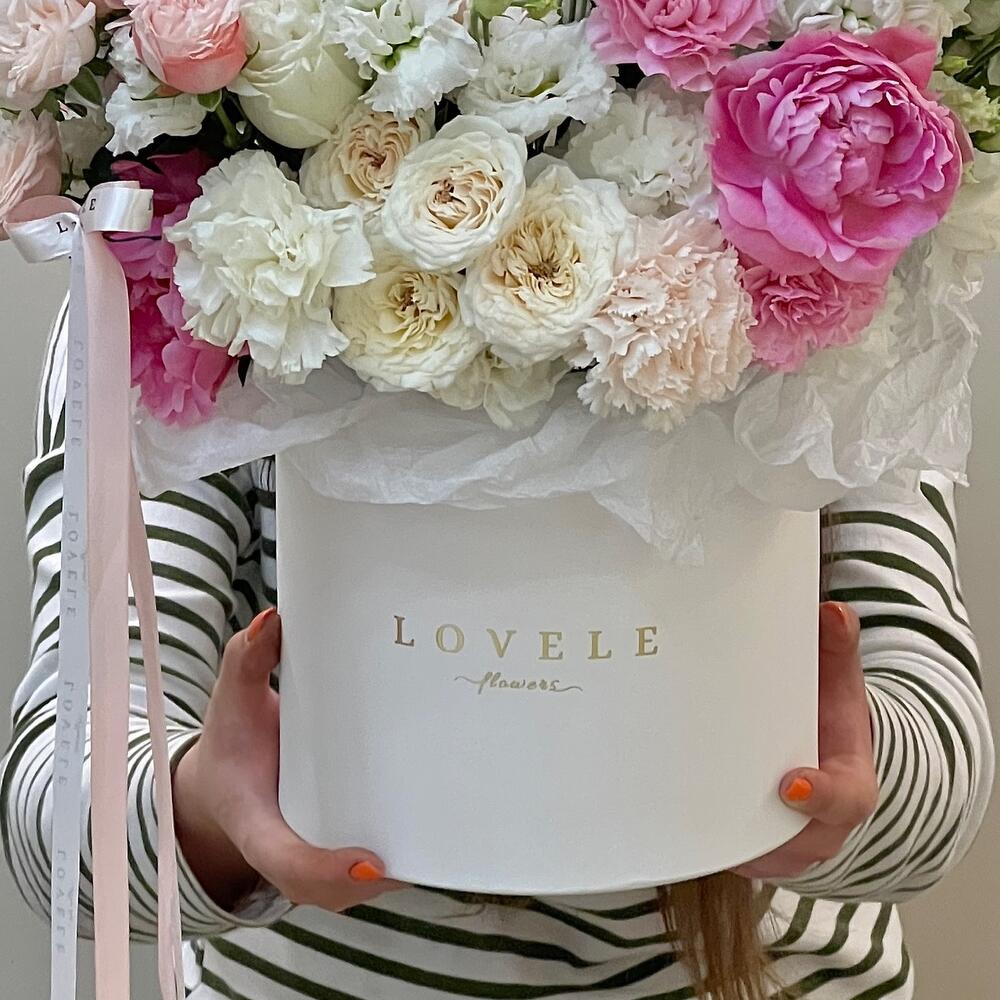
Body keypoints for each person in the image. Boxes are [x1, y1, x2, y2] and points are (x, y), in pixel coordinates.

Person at [1, 308, 993, 1000]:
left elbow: (941, 774)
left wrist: (837, 784)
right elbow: (59, 826)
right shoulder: (177, 284)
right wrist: (208, 812)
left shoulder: (824, 274)